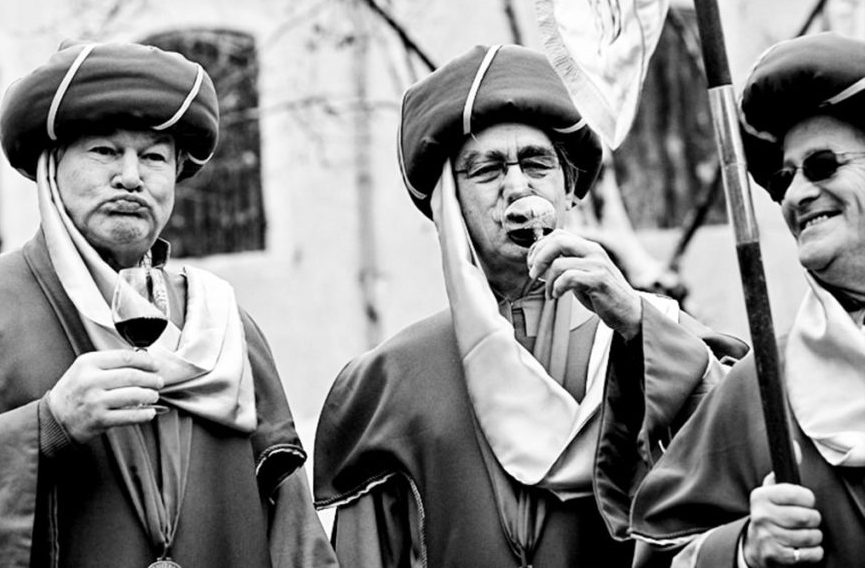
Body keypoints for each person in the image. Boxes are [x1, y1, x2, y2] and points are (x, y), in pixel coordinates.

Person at [0, 41, 337, 567]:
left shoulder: (224, 326)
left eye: (154, 157)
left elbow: (296, 537)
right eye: (104, 151)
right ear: (51, 166)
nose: (131, 176)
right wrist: (46, 428)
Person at [313, 44, 747, 567]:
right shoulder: (390, 383)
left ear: (570, 189)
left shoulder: (659, 336)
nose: (518, 188)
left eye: (538, 163)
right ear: (450, 205)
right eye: (487, 169)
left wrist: (638, 325)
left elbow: (747, 460)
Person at [631, 32, 865, 568]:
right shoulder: (758, 390)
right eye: (784, 178)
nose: (796, 193)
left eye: (822, 165)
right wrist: (741, 550)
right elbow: (660, 556)